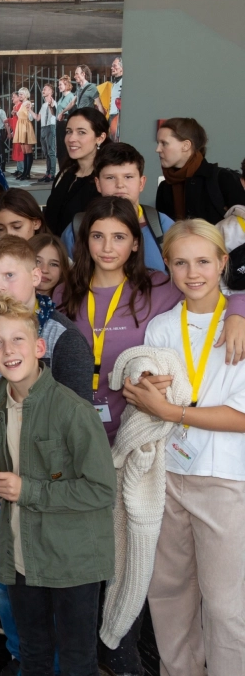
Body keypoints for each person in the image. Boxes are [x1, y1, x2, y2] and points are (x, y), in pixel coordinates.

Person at [0, 295, 116, 676]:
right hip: (21, 558)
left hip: (73, 562)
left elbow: (101, 490)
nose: (8, 350)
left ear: (39, 347)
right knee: (32, 654)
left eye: (18, 339)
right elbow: (4, 476)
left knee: (78, 661)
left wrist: (26, 489)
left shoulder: (73, 411)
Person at [125, 220, 245, 676]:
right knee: (169, 591)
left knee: (225, 602)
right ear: (168, 267)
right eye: (180, 263)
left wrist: (171, 411)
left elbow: (240, 417)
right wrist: (146, 389)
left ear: (223, 263)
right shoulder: (160, 327)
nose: (192, 273)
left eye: (202, 261)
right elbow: (147, 394)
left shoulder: (240, 324)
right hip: (168, 475)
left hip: (225, 478)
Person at [56, 196, 245, 445]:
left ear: (135, 243)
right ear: (85, 240)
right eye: (97, 236)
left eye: (119, 237)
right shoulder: (63, 292)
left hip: (135, 432)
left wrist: (238, 311)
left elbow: (209, 293)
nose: (107, 248)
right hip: (72, 429)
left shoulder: (159, 286)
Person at [61, 143, 175, 273]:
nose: (120, 185)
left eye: (128, 177)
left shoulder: (163, 226)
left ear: (141, 183)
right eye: (110, 178)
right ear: (98, 184)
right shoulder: (77, 228)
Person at [155, 117, 245, 223]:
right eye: (158, 143)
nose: (157, 149)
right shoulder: (164, 187)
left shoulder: (222, 178)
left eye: (164, 143)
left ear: (186, 145)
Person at [44, 107, 109, 235]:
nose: (71, 138)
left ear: (100, 138)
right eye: (69, 131)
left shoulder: (106, 180)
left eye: (81, 132)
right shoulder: (64, 174)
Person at [28, 233, 70, 300]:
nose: (44, 270)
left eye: (53, 264)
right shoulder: (7, 302)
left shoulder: (71, 306)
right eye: (37, 261)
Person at [30, 83, 58, 184]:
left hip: (50, 127)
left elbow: (55, 113)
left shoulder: (54, 103)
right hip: (43, 128)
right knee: (46, 152)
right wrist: (30, 110)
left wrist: (51, 104)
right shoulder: (43, 105)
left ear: (50, 91)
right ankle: (47, 173)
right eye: (43, 89)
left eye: (45, 89)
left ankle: (52, 173)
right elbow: (38, 118)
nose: (43, 91)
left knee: (51, 152)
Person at [11, 88, 37, 182]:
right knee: (24, 152)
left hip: (26, 127)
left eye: (21, 94)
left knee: (28, 151)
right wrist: (15, 113)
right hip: (20, 126)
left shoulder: (27, 103)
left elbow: (30, 117)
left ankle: (27, 173)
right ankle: (25, 172)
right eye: (19, 94)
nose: (20, 96)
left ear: (26, 94)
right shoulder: (22, 104)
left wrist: (30, 110)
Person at [54, 76, 76, 170]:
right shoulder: (61, 97)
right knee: (60, 149)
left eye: (60, 84)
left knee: (65, 148)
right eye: (58, 85)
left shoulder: (71, 96)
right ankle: (62, 169)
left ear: (66, 85)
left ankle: (67, 169)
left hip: (65, 124)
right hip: (59, 124)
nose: (59, 86)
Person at [108, 57, 122, 141]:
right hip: (112, 114)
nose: (111, 68)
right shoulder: (115, 82)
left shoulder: (124, 82)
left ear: (122, 68)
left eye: (114, 65)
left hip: (118, 115)